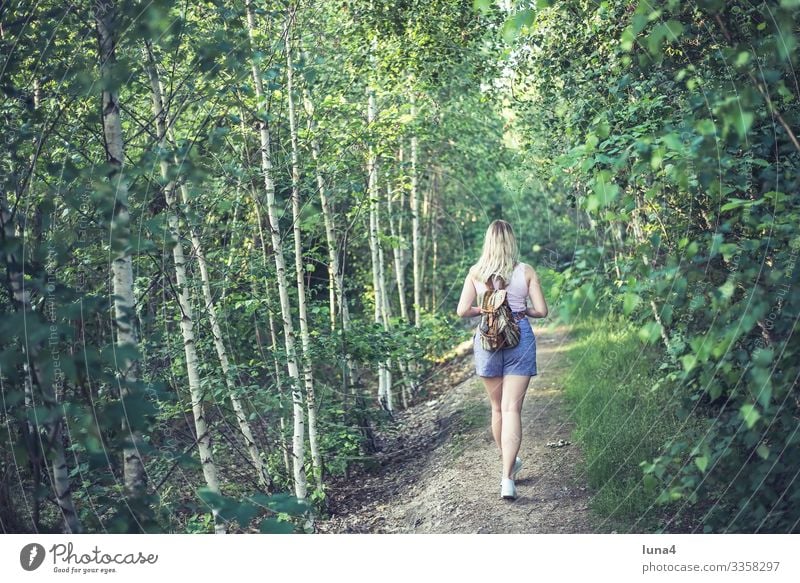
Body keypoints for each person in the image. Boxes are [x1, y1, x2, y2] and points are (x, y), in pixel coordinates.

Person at [456, 219, 548, 500]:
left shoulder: (476, 272)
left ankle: (508, 464)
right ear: (511, 241)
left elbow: (462, 311)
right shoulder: (526, 271)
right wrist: (520, 313)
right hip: (519, 338)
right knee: (512, 410)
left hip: (487, 340)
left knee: (497, 409)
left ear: (488, 242)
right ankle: (507, 478)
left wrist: (487, 310)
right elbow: (542, 311)